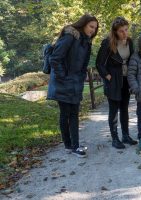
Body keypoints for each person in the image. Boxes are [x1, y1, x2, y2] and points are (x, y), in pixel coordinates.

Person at [47, 14, 99, 158]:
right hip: (63, 82)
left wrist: (81, 77)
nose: (93, 30)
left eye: (95, 28)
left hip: (75, 83)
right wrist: (63, 77)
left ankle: (72, 145)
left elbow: (82, 65)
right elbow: (55, 59)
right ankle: (70, 146)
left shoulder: (86, 41)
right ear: (83, 24)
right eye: (91, 26)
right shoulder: (70, 36)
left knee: (74, 113)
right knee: (66, 113)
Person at [96, 16, 137, 149]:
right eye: (121, 31)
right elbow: (99, 64)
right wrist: (108, 77)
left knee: (124, 109)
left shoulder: (129, 42)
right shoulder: (107, 43)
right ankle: (115, 139)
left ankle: (125, 136)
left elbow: (132, 60)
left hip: (126, 80)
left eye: (126, 30)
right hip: (113, 81)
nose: (125, 33)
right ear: (115, 32)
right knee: (113, 110)